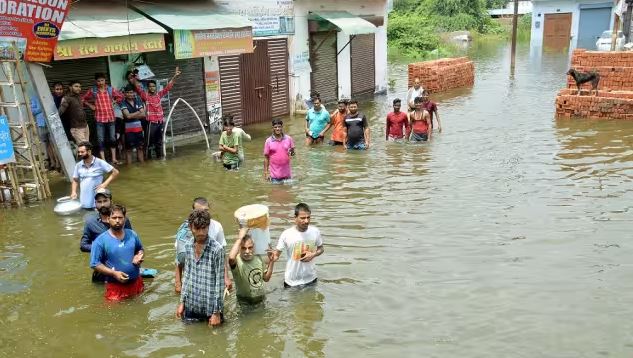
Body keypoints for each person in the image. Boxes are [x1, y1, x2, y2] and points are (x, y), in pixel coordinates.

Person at [176, 209, 225, 326]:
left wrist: (216, 312)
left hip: (210, 309)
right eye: (197, 229)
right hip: (191, 306)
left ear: (208, 227)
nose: (201, 232)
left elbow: (219, 282)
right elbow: (187, 276)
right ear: (190, 227)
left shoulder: (217, 249)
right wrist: (182, 302)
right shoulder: (187, 246)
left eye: (204, 228)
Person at [174, 197, 230, 294]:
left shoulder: (217, 226)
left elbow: (222, 253)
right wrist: (178, 284)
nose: (204, 214)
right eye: (199, 211)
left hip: (210, 272)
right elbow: (179, 259)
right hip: (192, 275)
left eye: (206, 210)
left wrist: (226, 277)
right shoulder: (185, 230)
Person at [89, 204, 145, 301]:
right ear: (108, 219)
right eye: (114, 217)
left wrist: (138, 256)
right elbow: (94, 264)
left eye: (120, 217)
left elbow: (140, 249)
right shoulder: (100, 240)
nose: (117, 220)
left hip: (136, 283)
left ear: (124, 219)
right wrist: (114, 273)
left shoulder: (132, 234)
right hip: (115, 287)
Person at [133, 67, 181, 159]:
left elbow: (169, 86)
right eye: (150, 86)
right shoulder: (145, 96)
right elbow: (137, 87)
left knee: (159, 143)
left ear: (156, 87)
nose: (152, 88)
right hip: (151, 123)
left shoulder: (159, 95)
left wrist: (175, 76)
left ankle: (159, 159)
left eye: (153, 86)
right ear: (148, 88)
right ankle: (147, 161)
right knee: (148, 144)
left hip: (160, 123)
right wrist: (135, 77)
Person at [272, 203, 324, 288]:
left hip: (311, 279)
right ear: (295, 218)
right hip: (292, 282)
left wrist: (313, 254)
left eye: (308, 217)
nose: (306, 221)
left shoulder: (315, 231)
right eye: (303, 218)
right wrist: (270, 259)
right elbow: (276, 256)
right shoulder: (286, 234)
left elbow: (321, 249)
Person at [81, 72, 124, 164]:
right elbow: (82, 99)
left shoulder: (110, 89)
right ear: (96, 81)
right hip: (99, 118)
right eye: (98, 81)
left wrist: (114, 102)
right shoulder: (93, 91)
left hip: (111, 118)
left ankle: (114, 158)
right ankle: (103, 159)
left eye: (102, 80)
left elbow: (121, 96)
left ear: (105, 80)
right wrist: (90, 105)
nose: (101, 82)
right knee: (101, 139)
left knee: (112, 138)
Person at [228, 227, 275, 304]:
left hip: (261, 299)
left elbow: (266, 278)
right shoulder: (237, 261)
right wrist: (240, 238)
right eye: (243, 248)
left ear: (254, 247)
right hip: (244, 301)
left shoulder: (258, 258)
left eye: (250, 248)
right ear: (239, 248)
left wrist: (272, 261)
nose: (247, 251)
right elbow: (231, 258)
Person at [70, 141, 119, 210]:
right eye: (78, 152)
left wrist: (104, 184)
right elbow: (75, 180)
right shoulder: (78, 165)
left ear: (89, 151)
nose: (80, 154)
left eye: (82, 152)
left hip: (98, 204)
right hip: (84, 203)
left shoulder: (100, 162)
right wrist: (73, 192)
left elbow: (115, 172)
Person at [30, 96, 60, 171]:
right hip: (41, 124)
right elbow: (33, 111)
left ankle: (58, 162)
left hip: (51, 123)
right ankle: (52, 162)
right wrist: (42, 108)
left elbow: (54, 109)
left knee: (54, 144)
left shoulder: (49, 96)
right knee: (47, 144)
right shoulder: (34, 98)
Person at [263, 118, 295, 183]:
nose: (277, 129)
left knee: (288, 192)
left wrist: (292, 152)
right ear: (273, 128)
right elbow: (266, 158)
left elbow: (292, 153)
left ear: (282, 127)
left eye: (279, 127)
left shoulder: (288, 139)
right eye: (275, 127)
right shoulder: (268, 141)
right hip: (274, 177)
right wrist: (266, 172)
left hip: (287, 175)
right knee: (276, 192)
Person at [121, 85, 146, 165]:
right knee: (128, 150)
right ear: (125, 94)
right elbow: (127, 116)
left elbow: (143, 115)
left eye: (131, 92)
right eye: (127, 92)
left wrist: (132, 115)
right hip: (128, 130)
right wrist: (139, 112)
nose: (129, 94)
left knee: (140, 147)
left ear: (134, 93)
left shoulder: (137, 100)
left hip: (138, 129)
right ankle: (129, 167)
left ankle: (142, 165)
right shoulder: (123, 102)